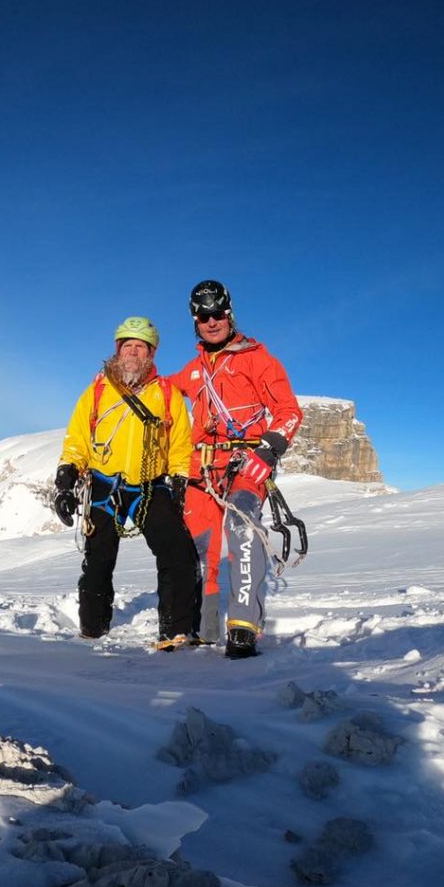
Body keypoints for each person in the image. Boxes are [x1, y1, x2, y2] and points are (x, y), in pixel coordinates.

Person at [170, 280, 303, 659]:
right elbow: (160, 390)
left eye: (217, 313)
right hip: (202, 467)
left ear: (229, 313)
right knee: (199, 546)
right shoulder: (193, 370)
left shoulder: (258, 359)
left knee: (242, 529)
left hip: (247, 462)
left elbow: (289, 411)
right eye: (203, 315)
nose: (211, 321)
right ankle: (203, 628)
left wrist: (270, 450)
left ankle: (243, 628)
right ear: (195, 321)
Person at [53, 316, 201, 650]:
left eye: (140, 347)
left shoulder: (166, 394)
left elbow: (179, 442)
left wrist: (179, 477)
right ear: (118, 351)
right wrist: (67, 475)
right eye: (128, 346)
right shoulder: (97, 392)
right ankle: (92, 628)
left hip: (151, 486)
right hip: (105, 485)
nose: (133, 353)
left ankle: (175, 631)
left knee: (177, 553)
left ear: (151, 353)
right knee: (98, 560)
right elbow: (77, 438)